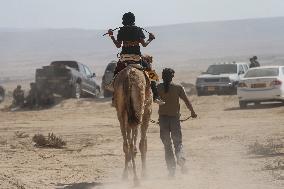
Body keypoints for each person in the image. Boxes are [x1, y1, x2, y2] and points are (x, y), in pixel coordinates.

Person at [107, 12, 164, 104]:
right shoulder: (138, 30)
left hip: (124, 58)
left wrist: (111, 36)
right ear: (133, 20)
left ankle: (114, 94)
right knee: (151, 72)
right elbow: (144, 44)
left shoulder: (121, 30)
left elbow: (118, 46)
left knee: (117, 71)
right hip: (137, 58)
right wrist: (151, 38)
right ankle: (156, 96)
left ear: (123, 21)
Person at [157, 68, 197, 177]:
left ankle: (171, 171)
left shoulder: (158, 87)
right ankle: (181, 160)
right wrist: (192, 112)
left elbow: (150, 100)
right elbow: (187, 101)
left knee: (167, 146)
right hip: (174, 120)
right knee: (178, 143)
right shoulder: (178, 88)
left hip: (163, 120)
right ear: (172, 76)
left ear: (162, 76)